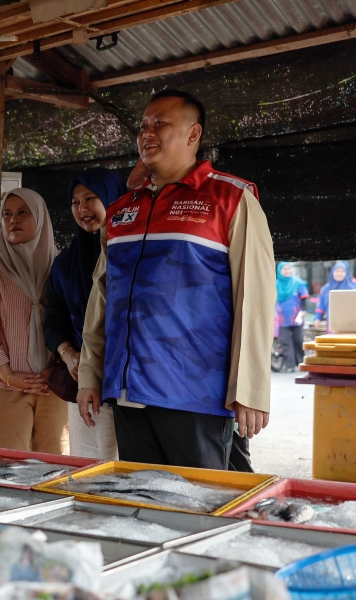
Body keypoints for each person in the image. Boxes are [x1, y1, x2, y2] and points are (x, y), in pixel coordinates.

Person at [77, 89, 276, 469]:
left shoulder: (230, 198)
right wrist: (91, 373)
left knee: (201, 505)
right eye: (142, 126)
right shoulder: (122, 211)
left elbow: (255, 298)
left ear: (193, 134)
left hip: (194, 392)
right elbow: (102, 299)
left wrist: (250, 388)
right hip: (126, 390)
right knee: (142, 505)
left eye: (160, 124)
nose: (147, 133)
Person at [0, 188, 67, 453]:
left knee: (52, 469)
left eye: (23, 212)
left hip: (52, 386)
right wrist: (8, 374)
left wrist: (57, 368)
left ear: (40, 217)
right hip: (5, 387)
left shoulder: (58, 264)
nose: (13, 220)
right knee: (9, 469)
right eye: (7, 214)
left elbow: (70, 320)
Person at [43, 168, 126, 460]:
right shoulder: (64, 264)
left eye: (91, 198)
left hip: (130, 385)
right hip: (85, 386)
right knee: (88, 465)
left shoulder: (132, 255)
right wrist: (67, 354)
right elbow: (53, 318)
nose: (83, 209)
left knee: (130, 470)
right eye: (75, 202)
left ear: (114, 200)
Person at [275, 262, 308, 373]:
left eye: (289, 269)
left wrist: (304, 310)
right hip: (281, 319)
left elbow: (304, 298)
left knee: (298, 340)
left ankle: (301, 363)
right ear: (279, 271)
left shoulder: (298, 283)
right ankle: (289, 365)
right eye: (284, 269)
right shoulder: (275, 285)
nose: (287, 271)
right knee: (285, 342)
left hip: (296, 318)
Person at [315, 260, 356, 329]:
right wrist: (317, 318)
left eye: (342, 272)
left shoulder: (352, 289)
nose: (339, 274)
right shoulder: (325, 289)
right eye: (337, 271)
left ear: (346, 273)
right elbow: (321, 305)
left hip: (350, 324)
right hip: (332, 323)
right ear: (332, 272)